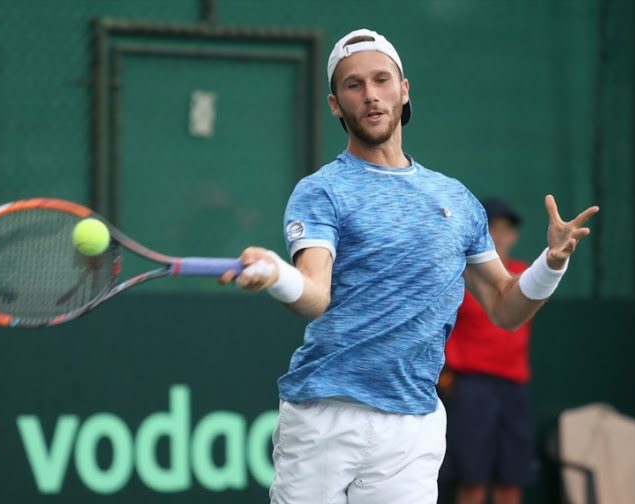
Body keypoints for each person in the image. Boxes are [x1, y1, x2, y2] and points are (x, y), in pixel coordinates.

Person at [218, 28, 598, 504]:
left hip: (413, 427)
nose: (371, 95)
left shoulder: (455, 200)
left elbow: (506, 308)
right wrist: (278, 275)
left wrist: (552, 263)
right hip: (324, 415)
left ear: (404, 90)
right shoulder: (321, 191)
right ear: (335, 104)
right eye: (354, 85)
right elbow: (315, 294)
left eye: (381, 80)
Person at [438, 198, 534, 504]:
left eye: (507, 229)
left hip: (513, 387)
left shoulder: (524, 273)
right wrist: (444, 372)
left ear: (514, 236)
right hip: (471, 389)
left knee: (511, 481)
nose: (500, 235)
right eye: (493, 227)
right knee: (472, 482)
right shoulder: (459, 277)